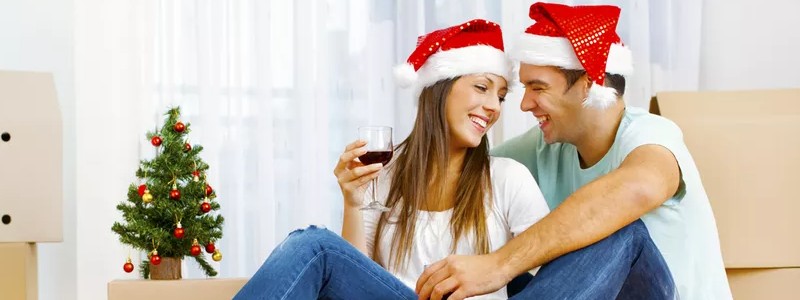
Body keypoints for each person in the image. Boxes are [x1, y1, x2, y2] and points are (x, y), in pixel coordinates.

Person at [415, 3, 732, 300]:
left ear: (588, 84)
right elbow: (464, 169)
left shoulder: (650, 132)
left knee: (620, 230)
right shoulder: (543, 148)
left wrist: (498, 265)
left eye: (538, 87)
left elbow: (640, 187)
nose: (524, 104)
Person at [234, 19, 552, 299]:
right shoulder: (386, 172)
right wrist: (353, 203)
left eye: (500, 96)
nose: (494, 106)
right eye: (482, 88)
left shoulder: (507, 178)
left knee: (312, 244)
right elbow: (353, 282)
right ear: (438, 89)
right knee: (311, 246)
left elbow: (554, 273)